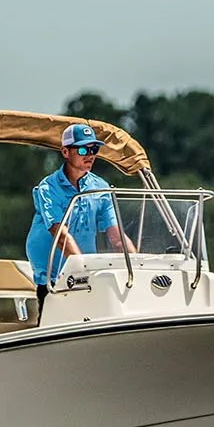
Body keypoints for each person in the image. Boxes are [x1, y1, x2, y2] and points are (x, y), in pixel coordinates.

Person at [24, 121, 134, 312]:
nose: (90, 155)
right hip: (53, 279)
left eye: (94, 150)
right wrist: (84, 270)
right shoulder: (48, 188)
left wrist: (137, 265)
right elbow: (60, 235)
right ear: (65, 152)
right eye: (83, 150)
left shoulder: (101, 188)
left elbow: (117, 238)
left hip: (86, 278)